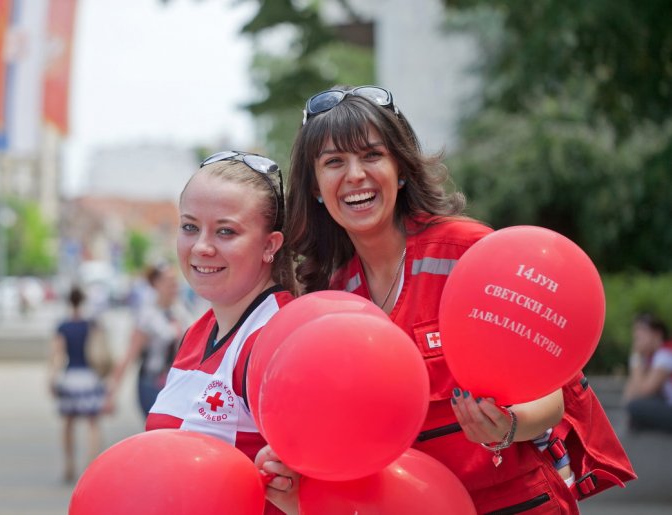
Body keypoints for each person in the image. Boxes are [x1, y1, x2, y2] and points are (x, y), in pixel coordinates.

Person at [257, 85, 634, 514]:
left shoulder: (470, 253)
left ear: (400, 169)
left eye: (372, 155)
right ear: (316, 189)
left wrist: (508, 426)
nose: (356, 175)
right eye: (334, 162)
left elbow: (551, 397)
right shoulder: (332, 298)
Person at [144, 151, 295, 514]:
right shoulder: (200, 329)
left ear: (270, 245)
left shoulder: (280, 340)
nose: (201, 247)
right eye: (190, 227)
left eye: (226, 231)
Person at [106, 262, 192, 418]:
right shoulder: (147, 316)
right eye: (169, 281)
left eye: (175, 281)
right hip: (152, 383)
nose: (174, 285)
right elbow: (130, 355)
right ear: (156, 284)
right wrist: (111, 393)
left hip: (177, 383)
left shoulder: (181, 312)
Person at [48, 286, 108, 483]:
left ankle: (69, 464)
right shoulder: (91, 324)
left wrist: (51, 378)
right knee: (93, 423)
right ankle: (92, 465)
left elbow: (57, 356)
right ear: (83, 301)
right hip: (89, 377)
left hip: (70, 377)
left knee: (67, 423)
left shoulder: (63, 327)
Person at [623, 312, 672, 432]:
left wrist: (636, 358)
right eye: (636, 331)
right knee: (634, 408)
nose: (637, 336)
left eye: (642, 331)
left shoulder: (664, 354)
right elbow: (628, 397)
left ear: (657, 334)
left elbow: (644, 391)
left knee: (636, 408)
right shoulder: (650, 358)